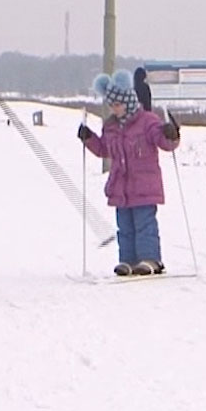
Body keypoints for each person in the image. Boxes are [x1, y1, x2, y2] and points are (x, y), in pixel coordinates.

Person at [78, 68, 181, 276]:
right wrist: (88, 138)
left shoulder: (148, 121)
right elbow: (104, 150)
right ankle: (128, 260)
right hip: (120, 188)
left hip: (144, 185)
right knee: (124, 228)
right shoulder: (111, 127)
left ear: (128, 102)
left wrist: (172, 133)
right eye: (111, 105)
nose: (114, 109)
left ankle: (150, 259)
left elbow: (165, 143)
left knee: (144, 225)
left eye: (117, 105)